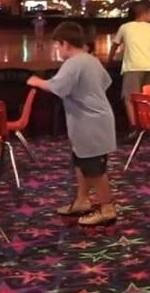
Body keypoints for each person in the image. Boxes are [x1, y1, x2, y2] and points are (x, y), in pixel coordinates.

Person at [27, 22, 118, 226]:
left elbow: (58, 87)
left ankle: (107, 209)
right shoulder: (91, 60)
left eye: (57, 45)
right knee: (81, 161)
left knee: (94, 168)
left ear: (65, 44)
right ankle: (82, 201)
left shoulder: (73, 63)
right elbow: (105, 83)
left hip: (90, 122)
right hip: (94, 119)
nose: (57, 50)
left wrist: (36, 81)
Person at [110, 3, 150, 127]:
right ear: (144, 14)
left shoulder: (125, 27)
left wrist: (109, 60)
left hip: (132, 67)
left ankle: (135, 126)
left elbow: (115, 45)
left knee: (130, 98)